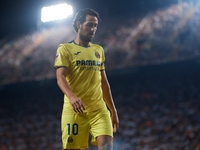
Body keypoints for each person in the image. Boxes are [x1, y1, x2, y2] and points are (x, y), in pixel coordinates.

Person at [54, 8, 119, 150]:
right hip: (75, 110)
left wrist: (113, 110)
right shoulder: (65, 49)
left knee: (107, 145)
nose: (93, 29)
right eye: (89, 24)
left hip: (99, 109)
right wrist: (71, 97)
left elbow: (103, 82)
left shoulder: (98, 50)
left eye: (95, 25)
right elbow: (60, 77)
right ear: (79, 25)